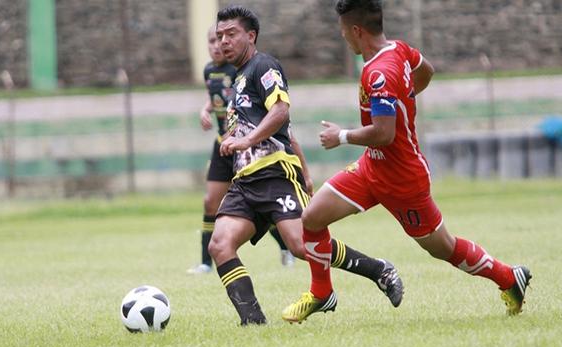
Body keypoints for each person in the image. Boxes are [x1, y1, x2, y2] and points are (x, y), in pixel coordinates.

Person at [282, 0, 531, 323]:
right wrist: (406, 95)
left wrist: (341, 136)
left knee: (442, 247)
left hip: (403, 179)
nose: (343, 37)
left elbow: (384, 134)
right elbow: (426, 71)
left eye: (344, 32)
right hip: (372, 168)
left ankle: (509, 277)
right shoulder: (398, 50)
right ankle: (321, 293)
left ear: (357, 31)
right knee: (312, 217)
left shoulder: (379, 74)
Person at [210, 5, 403, 326]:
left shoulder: (264, 66)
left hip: (274, 173)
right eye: (220, 36)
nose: (224, 41)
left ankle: (378, 269)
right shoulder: (239, 79)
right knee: (220, 244)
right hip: (244, 182)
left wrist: (246, 142)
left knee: (301, 245)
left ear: (251, 36)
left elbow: (281, 113)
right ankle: (253, 322)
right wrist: (234, 136)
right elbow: (281, 129)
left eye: (231, 34)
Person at [187, 25, 296, 275]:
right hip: (221, 144)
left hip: (245, 146)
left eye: (221, 39)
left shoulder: (240, 69)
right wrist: (205, 110)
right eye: (212, 40)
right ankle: (205, 263)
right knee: (210, 202)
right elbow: (216, 96)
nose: (217, 45)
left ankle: (286, 247)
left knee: (258, 204)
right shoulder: (209, 71)